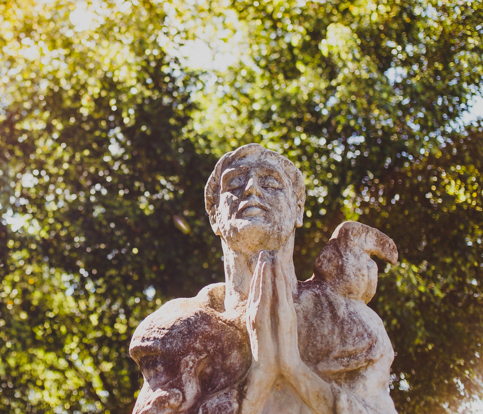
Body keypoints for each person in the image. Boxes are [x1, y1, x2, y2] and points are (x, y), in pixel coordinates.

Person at [130, 144, 398, 414]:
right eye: (234, 185)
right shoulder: (179, 332)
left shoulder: (347, 322)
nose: (251, 190)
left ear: (298, 209)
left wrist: (295, 370)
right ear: (214, 215)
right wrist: (257, 381)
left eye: (271, 183)